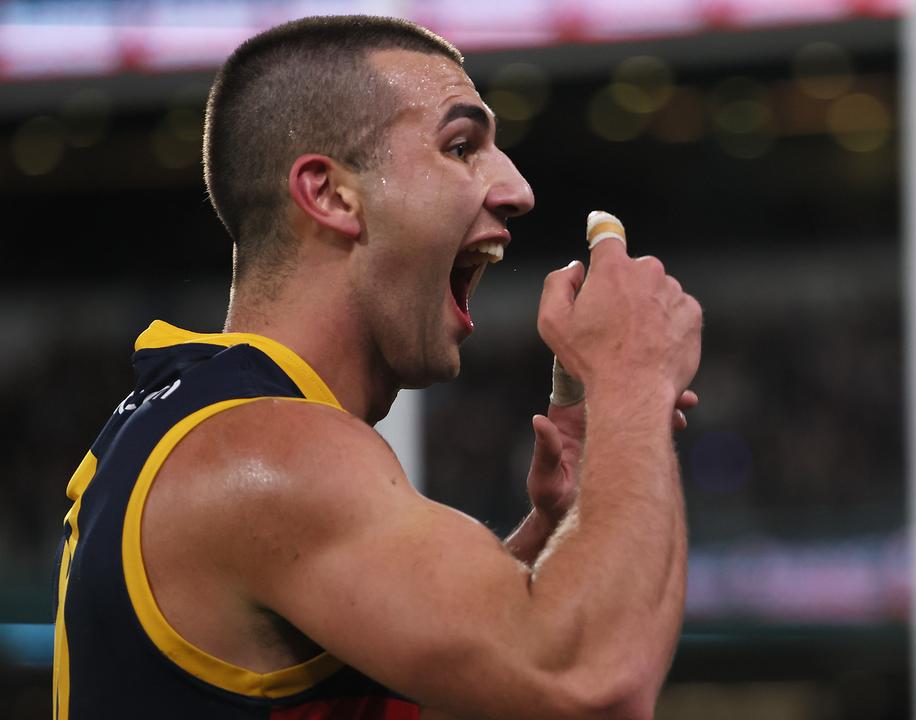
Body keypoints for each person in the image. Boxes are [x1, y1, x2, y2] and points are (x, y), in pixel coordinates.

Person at [51, 15, 702, 720]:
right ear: (330, 195)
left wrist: (561, 534)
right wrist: (634, 375)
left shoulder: (199, 426)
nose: (516, 187)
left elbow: (459, 673)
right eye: (460, 146)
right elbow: (589, 684)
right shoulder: (273, 455)